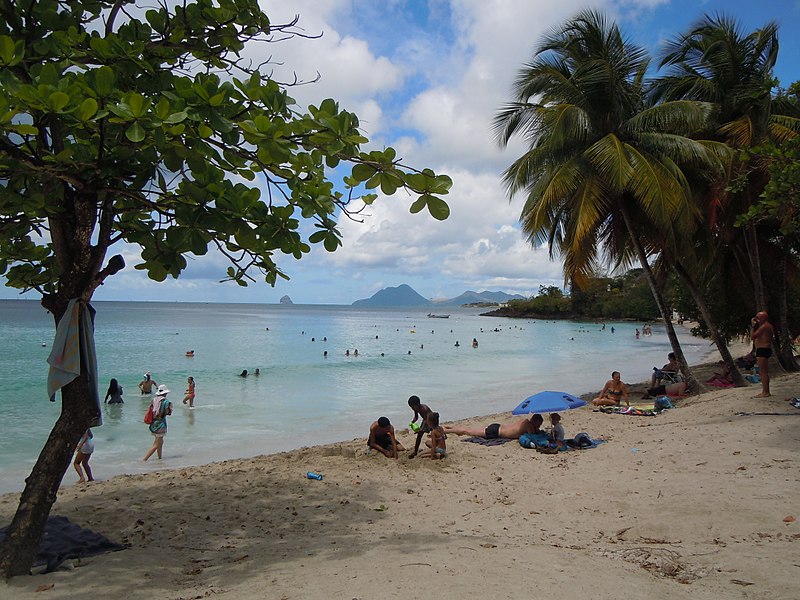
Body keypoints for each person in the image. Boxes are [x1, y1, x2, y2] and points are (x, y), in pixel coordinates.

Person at [444, 414, 543, 440]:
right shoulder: (529, 426)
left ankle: (449, 427)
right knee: (467, 432)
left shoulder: (525, 421)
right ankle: (445, 430)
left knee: (470, 429)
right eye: (539, 424)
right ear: (535, 421)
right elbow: (533, 436)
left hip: (497, 426)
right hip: (495, 432)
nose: (539, 426)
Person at [143, 385, 173, 461]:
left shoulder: (154, 400)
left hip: (153, 423)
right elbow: (168, 413)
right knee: (156, 444)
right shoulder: (166, 402)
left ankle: (160, 458)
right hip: (161, 424)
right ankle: (144, 459)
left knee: (160, 441)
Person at [751, 311, 774, 397]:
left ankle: (765, 392)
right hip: (764, 349)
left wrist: (753, 326)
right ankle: (765, 391)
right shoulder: (768, 326)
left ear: (763, 318)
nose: (756, 319)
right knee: (764, 371)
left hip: (762, 350)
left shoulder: (764, 326)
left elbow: (753, 336)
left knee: (763, 372)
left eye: (758, 317)